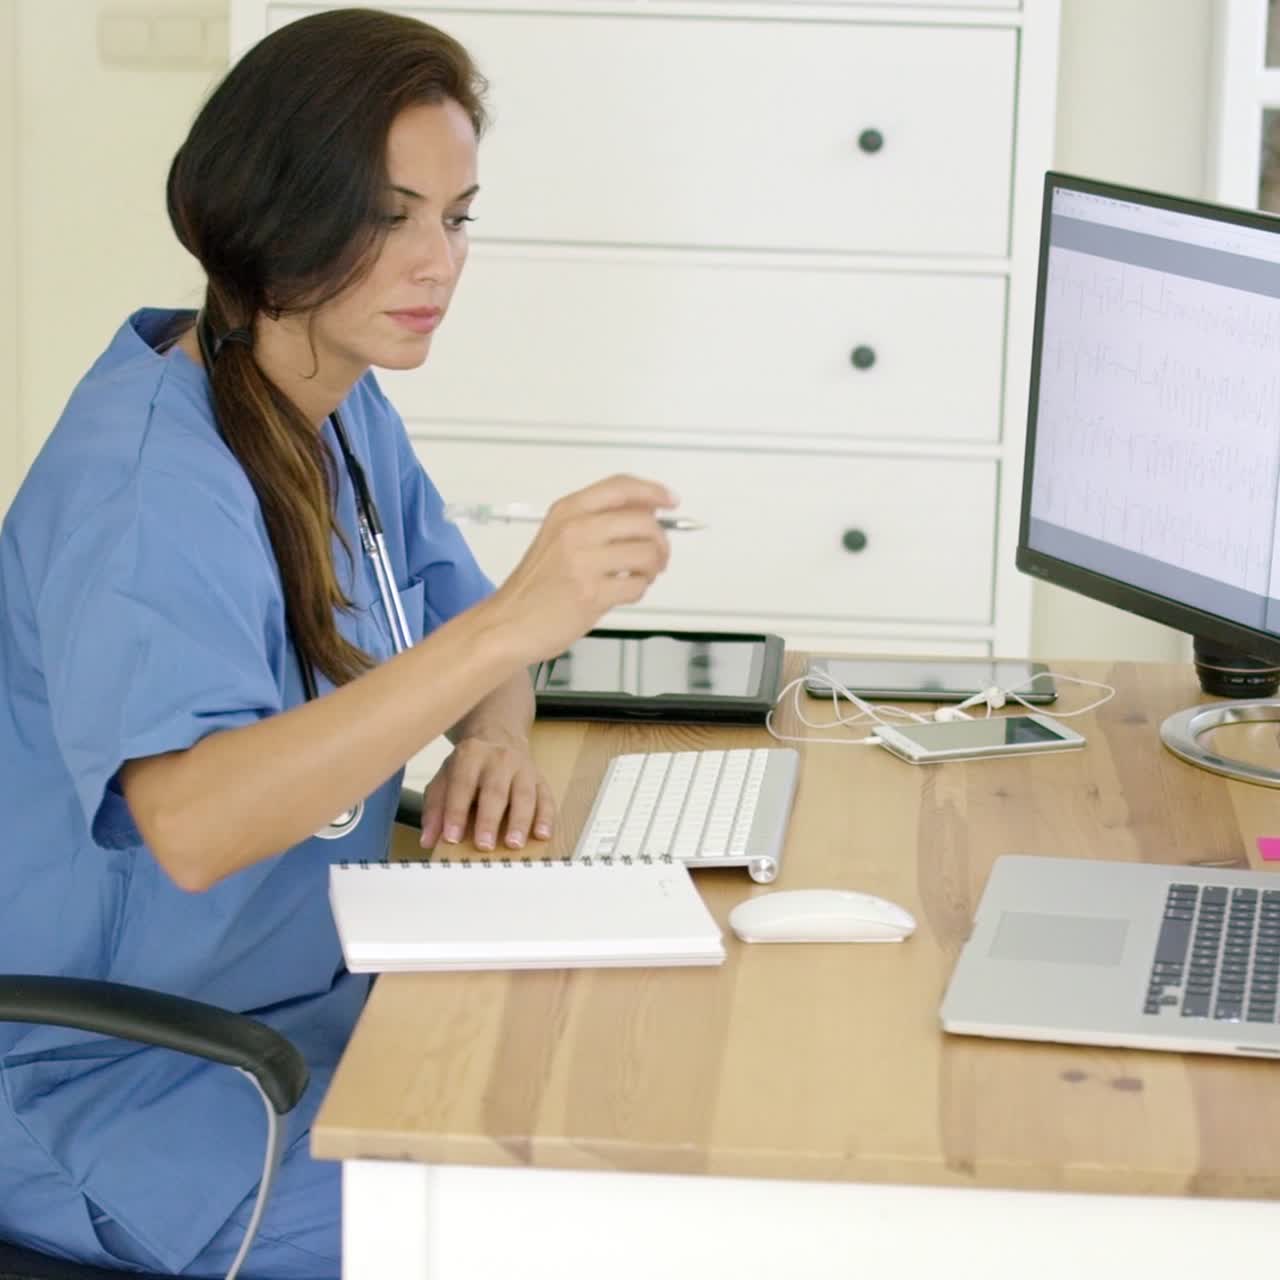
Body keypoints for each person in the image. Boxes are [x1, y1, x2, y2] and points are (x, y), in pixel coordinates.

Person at [0, 8, 675, 1275]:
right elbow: (191, 824)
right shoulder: (148, 481)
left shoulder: (332, 404)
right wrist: (506, 630)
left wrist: (495, 734)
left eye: (456, 217)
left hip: (317, 1004)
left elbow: (467, 629)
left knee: (646, 1083)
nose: (437, 263)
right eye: (388, 216)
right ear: (275, 216)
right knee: (604, 1217)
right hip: (130, 1086)